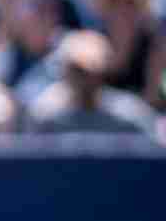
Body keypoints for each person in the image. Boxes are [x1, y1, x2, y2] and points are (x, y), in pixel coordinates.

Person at [28, 30, 157, 140]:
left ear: (102, 72)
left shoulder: (130, 115)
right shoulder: (45, 116)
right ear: (65, 72)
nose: (84, 81)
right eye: (77, 70)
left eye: (90, 72)